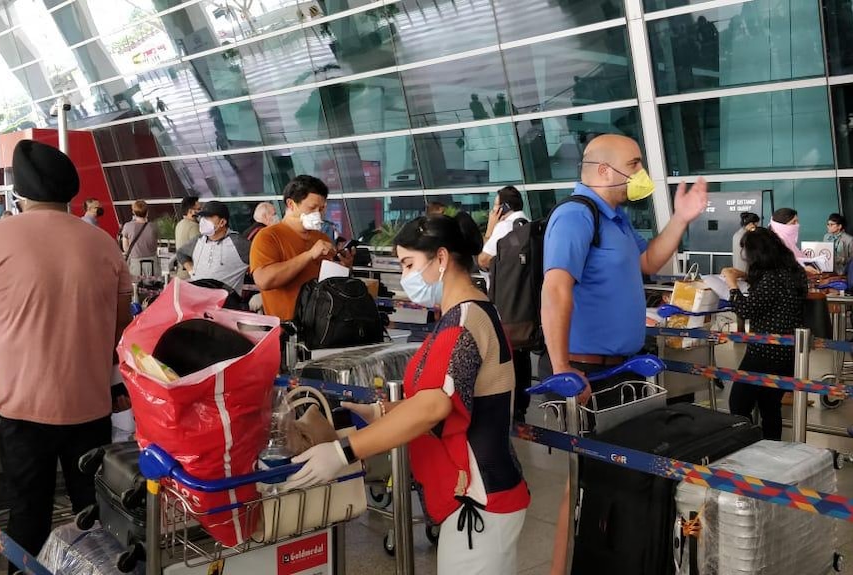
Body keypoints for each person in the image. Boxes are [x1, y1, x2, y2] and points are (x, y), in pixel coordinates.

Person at [283, 213, 530, 574]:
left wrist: (344, 451)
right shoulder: (466, 314)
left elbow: (432, 407)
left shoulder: (464, 321)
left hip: (479, 499)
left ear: (442, 258)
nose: (405, 276)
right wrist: (386, 413)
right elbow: (455, 399)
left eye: (409, 263)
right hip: (474, 496)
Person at [541, 134, 707, 573]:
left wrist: (681, 219)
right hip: (589, 373)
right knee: (583, 482)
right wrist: (562, 369)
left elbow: (647, 263)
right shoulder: (576, 217)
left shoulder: (613, 219)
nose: (640, 174)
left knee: (615, 476)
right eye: (634, 164)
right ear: (601, 171)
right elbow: (556, 290)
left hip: (625, 370)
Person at [0, 140, 132, 571]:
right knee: (95, 513)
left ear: (21, 192)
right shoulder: (104, 244)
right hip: (89, 405)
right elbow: (120, 332)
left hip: (20, 406)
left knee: (27, 512)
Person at [721, 227, 807, 439]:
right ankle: (771, 450)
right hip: (787, 353)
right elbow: (772, 299)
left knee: (739, 403)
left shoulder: (771, 278)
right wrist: (745, 276)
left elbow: (746, 310)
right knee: (770, 407)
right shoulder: (793, 271)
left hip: (764, 352)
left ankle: (745, 445)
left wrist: (732, 285)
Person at [250, 175, 353, 320]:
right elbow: (264, 280)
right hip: (287, 329)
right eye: (312, 208)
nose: (318, 213)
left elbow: (329, 284)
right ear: (291, 204)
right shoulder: (267, 237)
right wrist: (309, 255)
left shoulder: (321, 238)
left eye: (322, 208)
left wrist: (344, 268)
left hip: (324, 324)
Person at [477, 186, 531, 421]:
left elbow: (483, 260)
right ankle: (522, 403)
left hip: (504, 303)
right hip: (526, 301)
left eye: (495, 205)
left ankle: (509, 404)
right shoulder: (527, 226)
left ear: (502, 208)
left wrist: (489, 230)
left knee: (506, 353)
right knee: (522, 352)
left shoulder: (504, 227)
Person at [176, 201, 251, 295]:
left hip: (225, 304)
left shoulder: (238, 243)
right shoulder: (198, 241)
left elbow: (262, 261)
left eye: (208, 217)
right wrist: (191, 270)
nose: (203, 221)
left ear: (222, 222)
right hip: (197, 300)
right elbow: (181, 253)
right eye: (202, 217)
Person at [769, 207, 820, 275]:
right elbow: (779, 268)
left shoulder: (788, 242)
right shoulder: (774, 243)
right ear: (781, 225)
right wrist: (802, 269)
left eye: (797, 221)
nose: (797, 225)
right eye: (793, 222)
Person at [121, 200, 159, 278]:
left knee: (137, 288)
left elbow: (125, 248)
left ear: (133, 212)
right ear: (147, 212)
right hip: (153, 263)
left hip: (136, 264)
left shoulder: (128, 226)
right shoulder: (154, 227)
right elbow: (155, 244)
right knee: (154, 288)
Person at [175, 196, 201, 279]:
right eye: (198, 209)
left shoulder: (179, 224)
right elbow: (198, 251)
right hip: (191, 273)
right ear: (191, 211)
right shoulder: (194, 227)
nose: (201, 212)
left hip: (181, 271)